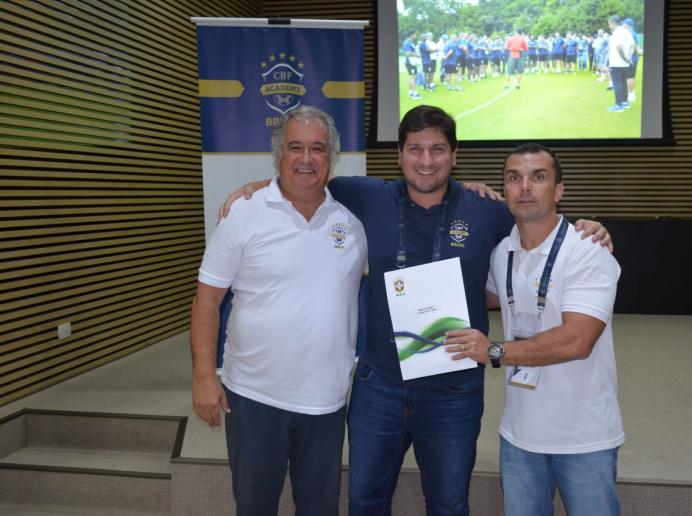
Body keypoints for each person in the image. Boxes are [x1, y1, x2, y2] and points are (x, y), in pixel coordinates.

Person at [219, 106, 613, 516]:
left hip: (453, 392)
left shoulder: (488, 210)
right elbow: (306, 177)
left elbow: (538, 221)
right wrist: (256, 188)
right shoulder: (365, 196)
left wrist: (591, 227)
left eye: (438, 150)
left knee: (447, 505)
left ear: (455, 155)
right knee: (366, 502)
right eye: (415, 149)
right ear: (400, 155)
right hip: (379, 387)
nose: (426, 161)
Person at [190, 106, 368, 516]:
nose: (306, 159)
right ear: (279, 155)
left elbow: (417, 192)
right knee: (254, 507)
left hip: (326, 403)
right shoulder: (243, 214)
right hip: (253, 399)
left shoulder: (353, 218)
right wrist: (203, 376)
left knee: (320, 509)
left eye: (317, 149)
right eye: (296, 148)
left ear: (331, 157)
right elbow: (206, 300)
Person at [445, 143, 623, 516]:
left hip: (583, 437)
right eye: (514, 178)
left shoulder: (587, 249)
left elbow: (578, 340)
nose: (525, 187)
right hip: (519, 436)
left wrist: (494, 351)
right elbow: (485, 297)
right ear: (504, 191)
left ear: (558, 190)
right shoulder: (502, 252)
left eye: (538, 177)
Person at [607, 15, 635, 112]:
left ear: (613, 23)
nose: (609, 26)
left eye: (609, 23)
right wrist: (628, 57)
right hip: (625, 63)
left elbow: (619, 47)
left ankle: (618, 105)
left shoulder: (616, 33)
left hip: (616, 62)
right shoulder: (627, 32)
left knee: (617, 83)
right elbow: (632, 45)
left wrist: (624, 58)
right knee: (623, 82)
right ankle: (625, 102)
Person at [402, 30, 422, 99]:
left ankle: (410, 92)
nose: (415, 36)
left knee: (412, 77)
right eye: (415, 34)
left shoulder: (411, 42)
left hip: (412, 62)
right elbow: (408, 53)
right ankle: (415, 93)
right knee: (413, 77)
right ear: (411, 35)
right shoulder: (407, 43)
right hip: (410, 63)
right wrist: (417, 55)